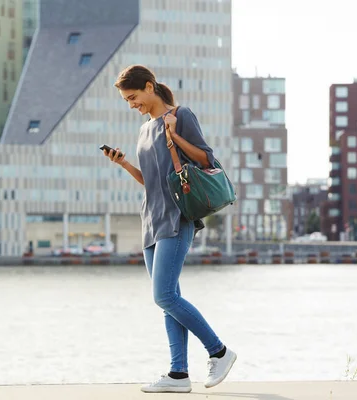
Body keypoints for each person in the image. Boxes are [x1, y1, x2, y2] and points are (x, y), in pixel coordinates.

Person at [103, 65, 237, 393]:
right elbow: (150, 182)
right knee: (167, 299)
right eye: (126, 100)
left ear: (150, 87)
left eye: (133, 97)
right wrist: (123, 164)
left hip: (176, 218)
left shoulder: (181, 115)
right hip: (150, 220)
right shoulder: (143, 129)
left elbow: (206, 160)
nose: (131, 104)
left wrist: (174, 135)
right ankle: (178, 374)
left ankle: (219, 351)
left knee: (163, 294)